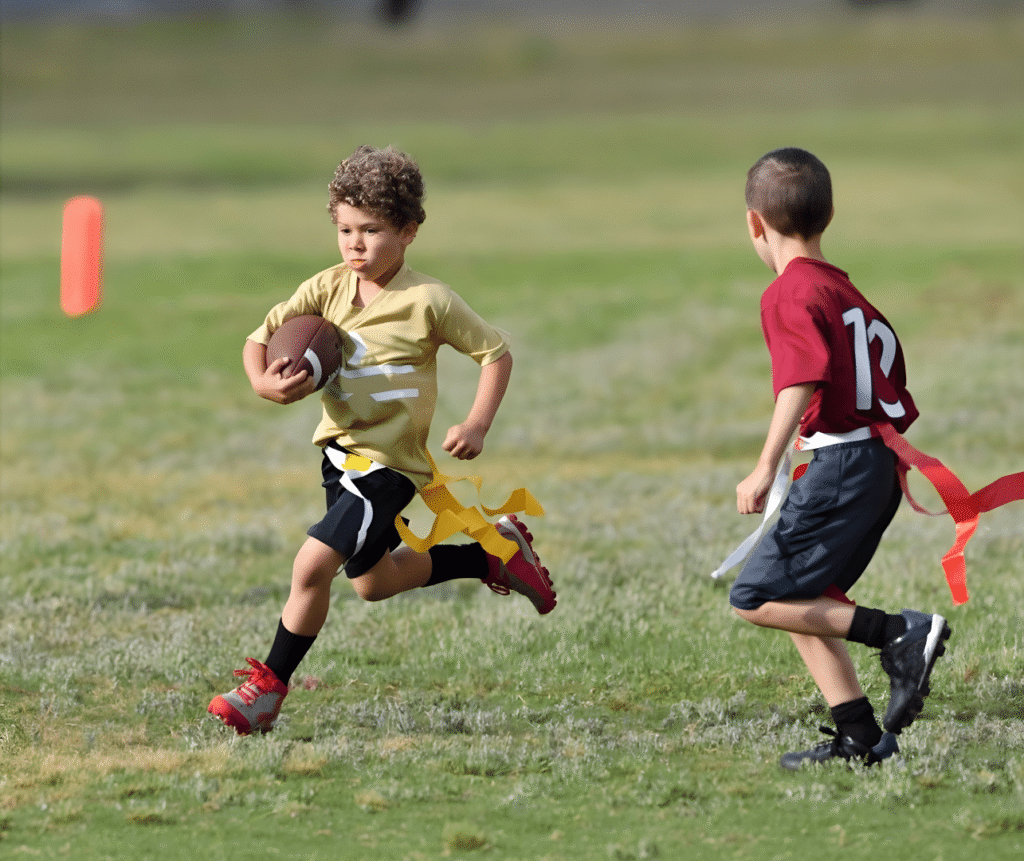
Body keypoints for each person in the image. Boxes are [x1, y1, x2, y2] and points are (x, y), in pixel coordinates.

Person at [208, 145, 556, 735]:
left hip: (390, 468)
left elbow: (495, 354)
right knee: (373, 583)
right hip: (339, 459)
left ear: (409, 231)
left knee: (311, 566)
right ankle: (493, 553)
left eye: (372, 230)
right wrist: (262, 381)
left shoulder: (429, 302)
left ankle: (265, 691)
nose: (355, 244)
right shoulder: (324, 289)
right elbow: (257, 338)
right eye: (345, 229)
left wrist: (475, 425)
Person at [729, 147, 951, 769]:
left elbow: (801, 378)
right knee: (808, 599)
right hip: (872, 464)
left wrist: (765, 464)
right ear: (827, 216)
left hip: (843, 467)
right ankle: (861, 738)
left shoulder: (788, 291)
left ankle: (899, 633)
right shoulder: (844, 291)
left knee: (755, 597)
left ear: (755, 223)